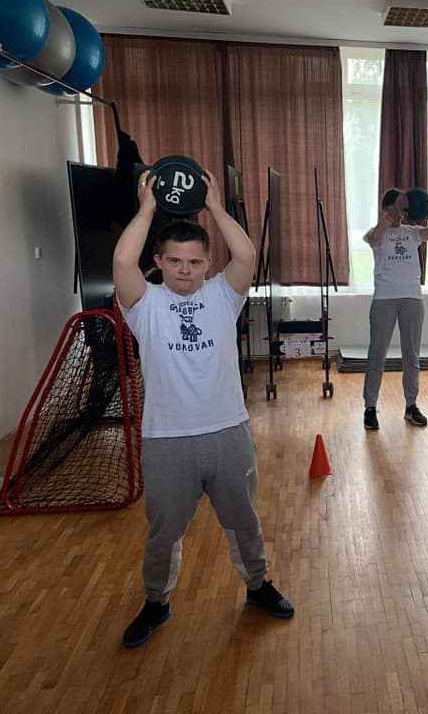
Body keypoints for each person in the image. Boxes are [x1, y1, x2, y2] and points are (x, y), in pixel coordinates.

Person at [114, 168, 294, 648]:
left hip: (227, 432)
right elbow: (122, 261)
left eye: (194, 262)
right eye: (174, 261)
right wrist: (147, 209)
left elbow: (247, 255)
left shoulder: (222, 296)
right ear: (158, 262)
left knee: (243, 520)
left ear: (208, 264)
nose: (184, 270)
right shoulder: (144, 305)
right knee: (164, 531)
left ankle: (257, 585)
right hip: (167, 440)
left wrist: (215, 205)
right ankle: (156, 601)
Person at [362, 188, 428, 430]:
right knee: (377, 355)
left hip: (412, 299)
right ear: (385, 207)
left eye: (402, 207)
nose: (400, 212)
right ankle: (370, 407)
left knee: (411, 356)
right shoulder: (376, 233)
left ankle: (411, 406)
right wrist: (389, 216)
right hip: (384, 299)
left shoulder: (412, 232)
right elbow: (375, 238)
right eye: (395, 206)